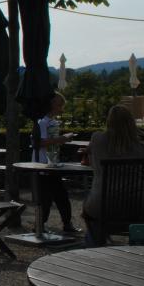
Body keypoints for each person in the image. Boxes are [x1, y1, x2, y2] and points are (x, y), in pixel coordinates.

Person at [82, 105, 144, 246]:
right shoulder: (142, 148)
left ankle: (94, 246)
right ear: (131, 122)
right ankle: (143, 246)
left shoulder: (97, 139)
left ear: (109, 121)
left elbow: (88, 155)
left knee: (90, 209)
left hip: (104, 206)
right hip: (140, 206)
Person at [34, 93, 80, 233]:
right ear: (52, 105)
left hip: (52, 163)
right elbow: (39, 142)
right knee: (49, 196)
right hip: (42, 164)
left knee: (59, 195)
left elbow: (51, 142)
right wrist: (63, 139)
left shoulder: (52, 122)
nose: (61, 109)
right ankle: (41, 225)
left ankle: (64, 224)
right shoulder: (42, 122)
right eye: (60, 105)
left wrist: (62, 139)